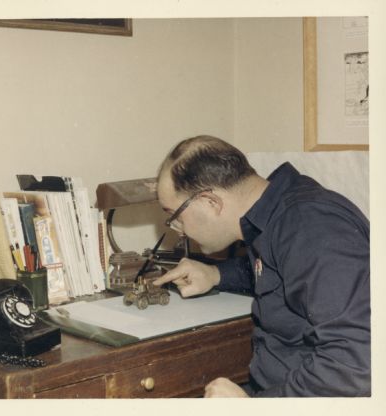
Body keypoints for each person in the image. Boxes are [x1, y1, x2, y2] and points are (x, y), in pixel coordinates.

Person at [153, 135, 370, 397]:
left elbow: (356, 364)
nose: (180, 232)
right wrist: (215, 274)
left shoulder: (310, 227)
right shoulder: (273, 216)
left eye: (175, 217)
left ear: (210, 202)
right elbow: (284, 274)